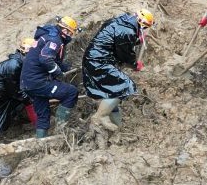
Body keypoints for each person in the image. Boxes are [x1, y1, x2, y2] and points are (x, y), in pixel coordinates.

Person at [84, 10, 155, 143]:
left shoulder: (121, 22)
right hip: (99, 61)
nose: (144, 30)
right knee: (126, 86)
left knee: (111, 94)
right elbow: (125, 54)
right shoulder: (127, 31)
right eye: (144, 28)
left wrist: (136, 40)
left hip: (94, 58)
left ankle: (117, 131)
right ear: (141, 24)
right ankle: (100, 117)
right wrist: (135, 64)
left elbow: (116, 42)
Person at [21, 16, 80, 138]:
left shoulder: (47, 36)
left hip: (28, 84)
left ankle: (40, 142)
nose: (70, 36)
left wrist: (67, 68)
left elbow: (55, 60)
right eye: (70, 33)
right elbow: (46, 59)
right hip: (39, 82)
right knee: (71, 92)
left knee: (43, 115)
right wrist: (57, 72)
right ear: (65, 31)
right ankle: (61, 130)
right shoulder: (55, 40)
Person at [0, 38, 38, 145]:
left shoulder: (21, 62)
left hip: (2, 91)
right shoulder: (14, 65)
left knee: (7, 116)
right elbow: (15, 89)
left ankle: (36, 126)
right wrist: (27, 99)